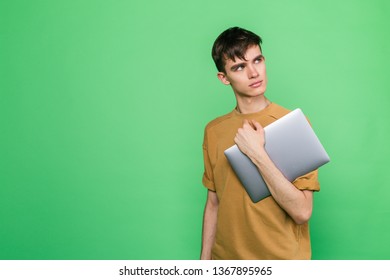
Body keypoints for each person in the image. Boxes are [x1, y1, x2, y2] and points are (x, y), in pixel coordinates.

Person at [200, 27, 320, 260]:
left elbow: (302, 212)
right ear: (224, 78)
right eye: (239, 67)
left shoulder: (293, 124)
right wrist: (202, 266)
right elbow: (213, 204)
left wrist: (257, 153)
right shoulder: (213, 131)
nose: (254, 73)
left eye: (258, 60)